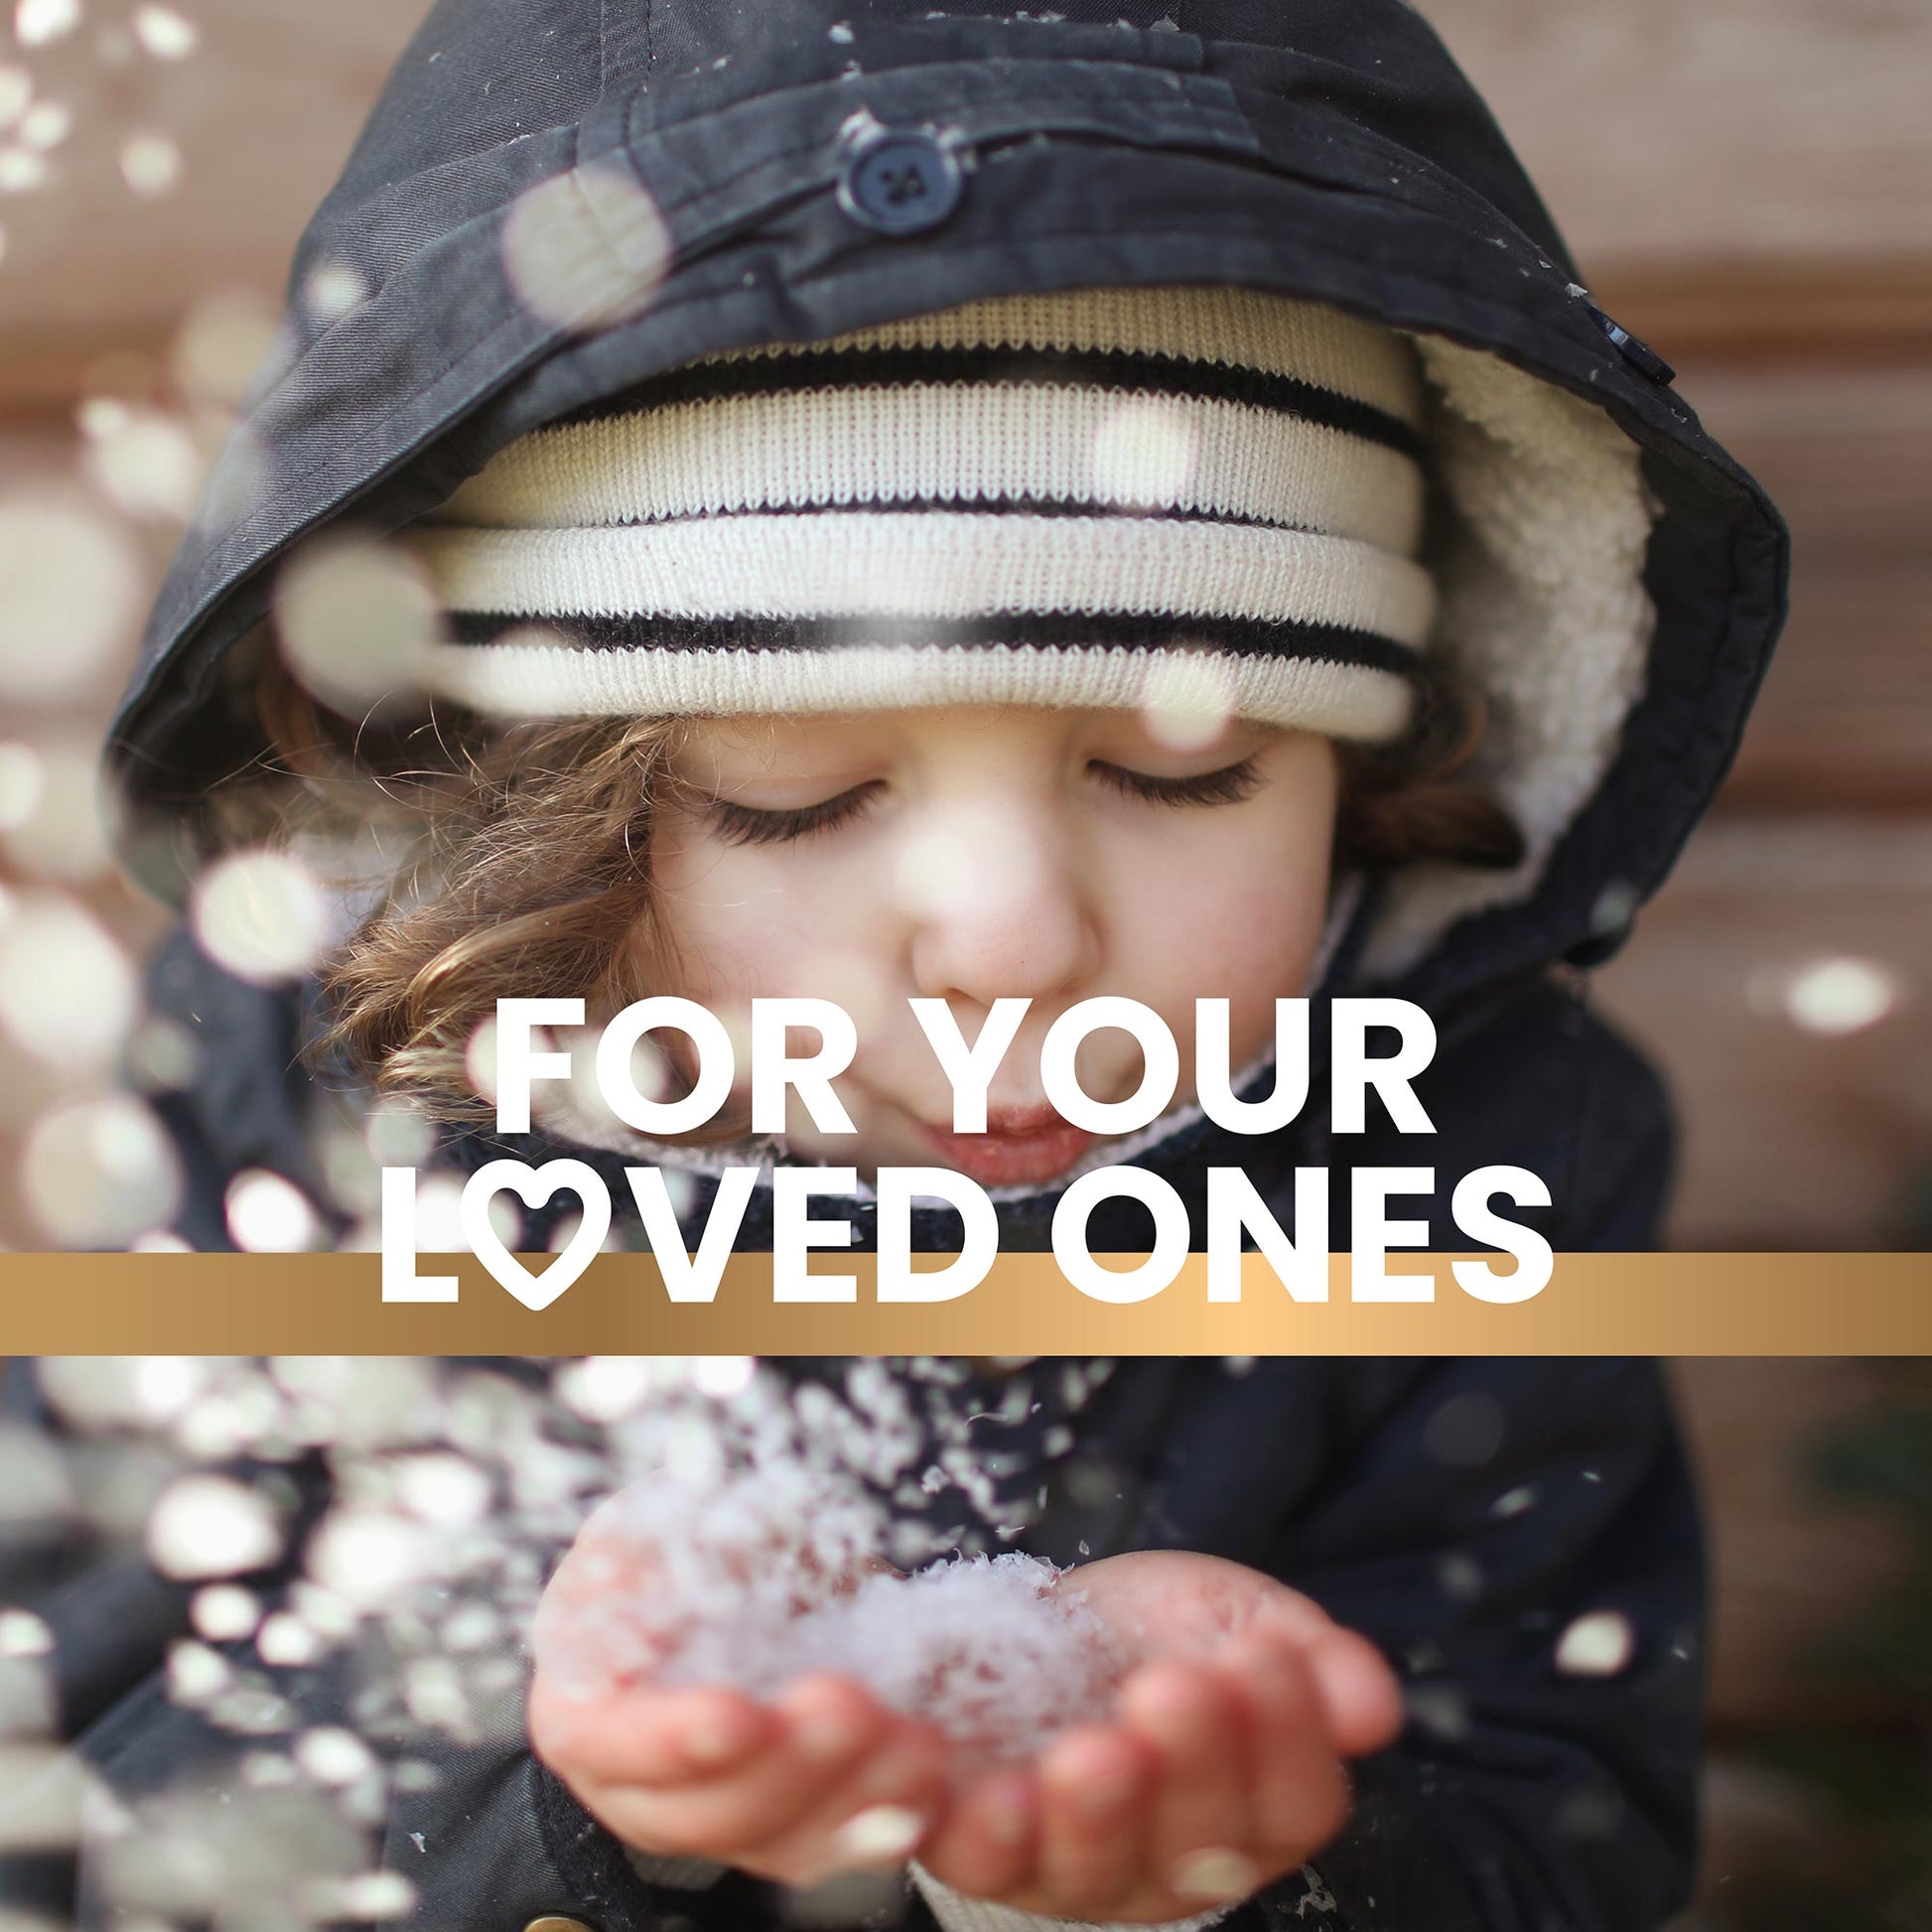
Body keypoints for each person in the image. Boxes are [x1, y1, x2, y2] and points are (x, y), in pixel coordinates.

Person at [65, 2, 1789, 1929]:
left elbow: (1559, 1832)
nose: (1010, 943)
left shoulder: (1478, 1162)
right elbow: (91, 1789)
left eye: (1180, 771)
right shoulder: (312, 1126)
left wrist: (1245, 1863)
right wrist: (562, 1800)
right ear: (518, 809)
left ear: (1367, 761)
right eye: (792, 797)